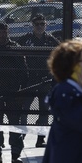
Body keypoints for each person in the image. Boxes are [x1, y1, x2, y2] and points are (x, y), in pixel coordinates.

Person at [0, 22, 28, 163]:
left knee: (14, 122)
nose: (1, 34)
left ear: (7, 32)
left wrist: (21, 88)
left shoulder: (15, 48)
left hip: (13, 91)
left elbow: (24, 70)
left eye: (4, 31)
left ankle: (16, 154)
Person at [16, 13, 59, 148]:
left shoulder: (51, 40)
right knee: (24, 109)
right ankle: (21, 135)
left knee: (44, 110)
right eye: (37, 24)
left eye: (42, 24)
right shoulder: (25, 39)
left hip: (45, 80)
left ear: (46, 25)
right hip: (29, 79)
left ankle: (41, 138)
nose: (40, 27)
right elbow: (15, 51)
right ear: (32, 26)